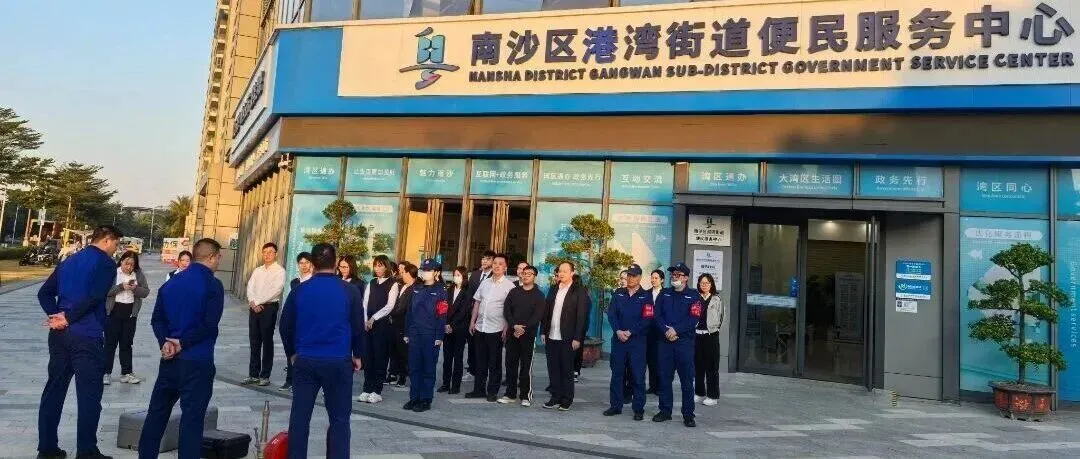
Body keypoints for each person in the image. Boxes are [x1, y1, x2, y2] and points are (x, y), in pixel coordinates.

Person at [37, 225, 123, 459]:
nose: (116, 249)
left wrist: (55, 316)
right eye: (116, 244)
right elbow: (95, 297)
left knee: (53, 391)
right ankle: (86, 451)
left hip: (59, 336)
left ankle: (47, 449)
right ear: (107, 240)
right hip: (87, 336)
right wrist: (68, 317)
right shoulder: (105, 263)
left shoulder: (69, 261)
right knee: (89, 397)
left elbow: (44, 293)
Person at [138, 238, 225, 458]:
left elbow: (157, 320)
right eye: (218, 257)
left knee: (157, 414)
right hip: (197, 361)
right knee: (192, 419)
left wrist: (165, 343)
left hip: (170, 361)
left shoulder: (171, 284)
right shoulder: (213, 285)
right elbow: (209, 325)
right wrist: (183, 343)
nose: (219, 261)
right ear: (211, 257)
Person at [280, 243, 365, 459]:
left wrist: (292, 353)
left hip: (305, 360)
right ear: (335, 262)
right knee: (339, 420)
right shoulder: (350, 291)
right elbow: (357, 326)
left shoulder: (299, 290)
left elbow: (285, 325)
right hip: (338, 361)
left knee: (300, 418)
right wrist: (357, 354)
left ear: (312, 263)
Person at [654, 262, 702, 428]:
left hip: (684, 343)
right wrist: (666, 331)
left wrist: (676, 330)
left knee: (687, 380)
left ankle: (688, 415)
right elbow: (657, 315)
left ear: (686, 278)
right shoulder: (665, 293)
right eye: (673, 274)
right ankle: (665, 411)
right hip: (665, 342)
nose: (674, 277)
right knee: (664, 378)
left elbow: (693, 318)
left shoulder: (694, 296)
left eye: (678, 275)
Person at [604, 264, 654, 421]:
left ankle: (638, 409)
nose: (630, 278)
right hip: (619, 341)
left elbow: (647, 319)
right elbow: (611, 314)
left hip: (637, 342)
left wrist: (631, 332)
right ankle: (615, 405)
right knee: (617, 374)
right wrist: (618, 331)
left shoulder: (646, 296)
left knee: (637, 376)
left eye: (633, 275)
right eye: (629, 275)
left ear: (639, 277)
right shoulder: (619, 293)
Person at [541, 261, 589, 411]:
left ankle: (567, 399)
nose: (561, 274)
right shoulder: (553, 288)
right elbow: (546, 311)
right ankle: (555, 396)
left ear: (572, 273)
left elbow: (581, 316)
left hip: (568, 337)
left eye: (564, 271)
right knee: (553, 368)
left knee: (567, 369)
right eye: (559, 271)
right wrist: (543, 331)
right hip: (552, 335)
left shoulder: (579, 291)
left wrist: (577, 338)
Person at [466, 253, 514, 402]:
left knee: (494, 363)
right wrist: (472, 321)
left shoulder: (510, 286)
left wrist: (506, 327)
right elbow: (477, 302)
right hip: (481, 327)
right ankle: (478, 390)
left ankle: (492, 391)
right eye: (495, 263)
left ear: (505, 267)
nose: (497, 266)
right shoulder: (485, 283)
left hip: (496, 329)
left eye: (500, 264)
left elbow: (510, 310)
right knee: (480, 361)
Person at [403, 258, 449, 412]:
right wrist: (407, 332)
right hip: (415, 334)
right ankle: (414, 398)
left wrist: (439, 336)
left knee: (428, 369)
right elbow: (409, 312)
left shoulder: (441, 290)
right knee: (414, 368)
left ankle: (425, 399)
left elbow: (442, 315)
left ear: (436, 272)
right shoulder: (417, 288)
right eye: (423, 269)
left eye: (428, 270)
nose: (425, 272)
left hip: (430, 335)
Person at [499, 264, 545, 406]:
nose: (525, 276)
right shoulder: (514, 292)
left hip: (528, 335)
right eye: (524, 273)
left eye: (529, 274)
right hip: (512, 334)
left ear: (534, 277)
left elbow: (537, 316)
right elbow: (507, 310)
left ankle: (525, 395)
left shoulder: (539, 295)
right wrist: (514, 326)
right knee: (510, 364)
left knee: (526, 367)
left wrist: (523, 328)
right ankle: (510, 394)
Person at [104, 250, 150, 385]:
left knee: (126, 344)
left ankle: (126, 373)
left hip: (130, 313)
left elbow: (145, 292)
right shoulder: (113, 273)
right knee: (110, 344)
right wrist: (120, 287)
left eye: (132, 264)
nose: (128, 267)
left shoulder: (138, 274)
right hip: (113, 311)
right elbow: (106, 291)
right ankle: (105, 372)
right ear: (121, 261)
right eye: (126, 263)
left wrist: (135, 288)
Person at [358, 256, 400, 404]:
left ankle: (377, 390)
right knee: (368, 358)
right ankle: (367, 388)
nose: (377, 268)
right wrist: (365, 320)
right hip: (368, 326)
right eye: (375, 265)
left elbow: (390, 305)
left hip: (382, 326)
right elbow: (365, 303)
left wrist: (373, 318)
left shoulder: (393, 284)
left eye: (380, 265)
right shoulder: (372, 282)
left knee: (380, 358)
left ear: (386, 267)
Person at [244, 242, 285, 386]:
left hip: (268, 308)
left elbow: (276, 290)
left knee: (267, 341)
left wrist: (257, 302)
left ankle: (265, 375)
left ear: (276, 254)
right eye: (265, 252)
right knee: (254, 341)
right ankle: (253, 374)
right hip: (254, 308)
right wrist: (253, 302)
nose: (267, 254)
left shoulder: (279, 271)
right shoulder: (258, 270)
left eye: (270, 252)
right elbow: (250, 287)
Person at [281, 252, 314, 392]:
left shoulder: (313, 281)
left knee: (303, 351)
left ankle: (300, 381)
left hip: (307, 321)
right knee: (291, 349)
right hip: (294, 320)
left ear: (311, 264)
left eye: (307, 262)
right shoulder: (295, 282)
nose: (304, 265)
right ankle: (289, 380)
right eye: (301, 263)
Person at [438, 266, 470, 394]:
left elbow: (464, 311)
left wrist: (452, 325)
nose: (456, 277)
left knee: (457, 358)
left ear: (464, 277)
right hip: (447, 328)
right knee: (447, 358)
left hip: (459, 329)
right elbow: (443, 306)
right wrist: (445, 323)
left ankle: (455, 386)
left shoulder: (467, 292)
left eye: (458, 275)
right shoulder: (449, 289)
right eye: (454, 274)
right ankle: (445, 383)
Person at [465, 250, 496, 380]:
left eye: (488, 259)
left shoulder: (495, 276)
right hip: (473, 313)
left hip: (488, 316)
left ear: (493, 261)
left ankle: (484, 370)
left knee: (485, 345)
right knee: (472, 343)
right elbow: (469, 294)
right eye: (483, 258)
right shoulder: (475, 275)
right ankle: (472, 369)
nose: (484, 261)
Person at [694, 273, 724, 407]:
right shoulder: (695, 298)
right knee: (698, 366)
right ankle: (699, 393)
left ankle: (713, 395)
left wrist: (714, 330)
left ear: (711, 284)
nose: (704, 285)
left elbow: (722, 317)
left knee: (712, 367)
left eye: (707, 283)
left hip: (710, 336)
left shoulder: (717, 300)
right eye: (702, 283)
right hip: (697, 335)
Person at [389, 262, 417, 387]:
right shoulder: (402, 286)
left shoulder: (415, 288)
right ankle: (393, 374)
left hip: (404, 323)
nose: (402, 274)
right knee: (394, 350)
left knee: (403, 352)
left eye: (404, 272)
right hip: (395, 322)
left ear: (409, 274)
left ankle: (403, 376)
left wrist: (391, 313)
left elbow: (404, 308)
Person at [646, 269, 665, 394]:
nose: (653, 280)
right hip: (649, 330)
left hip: (661, 331)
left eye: (656, 278)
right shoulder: (646, 293)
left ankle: (660, 386)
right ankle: (652, 386)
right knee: (651, 359)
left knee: (661, 360)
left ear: (662, 280)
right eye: (652, 278)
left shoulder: (666, 294)